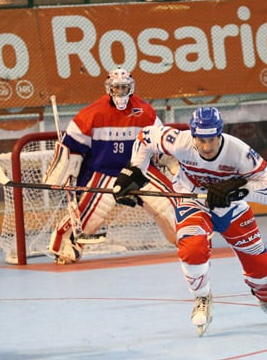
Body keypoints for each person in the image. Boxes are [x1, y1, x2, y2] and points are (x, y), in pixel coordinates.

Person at [113, 107, 267, 337]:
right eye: (201, 140)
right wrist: (134, 170)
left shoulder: (239, 152)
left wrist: (239, 191)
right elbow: (146, 136)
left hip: (231, 207)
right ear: (193, 134)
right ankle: (202, 297)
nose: (206, 146)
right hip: (192, 199)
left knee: (260, 263)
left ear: (220, 134)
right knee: (192, 249)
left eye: (212, 139)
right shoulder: (179, 141)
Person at [43, 67, 177, 264]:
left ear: (131, 88)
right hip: (105, 171)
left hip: (139, 170)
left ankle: (189, 237)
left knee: (169, 203)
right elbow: (71, 147)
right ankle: (63, 246)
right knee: (88, 218)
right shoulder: (91, 113)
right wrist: (65, 170)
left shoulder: (145, 111)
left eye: (124, 88)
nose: (120, 93)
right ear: (109, 88)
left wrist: (170, 159)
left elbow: (159, 141)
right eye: (117, 88)